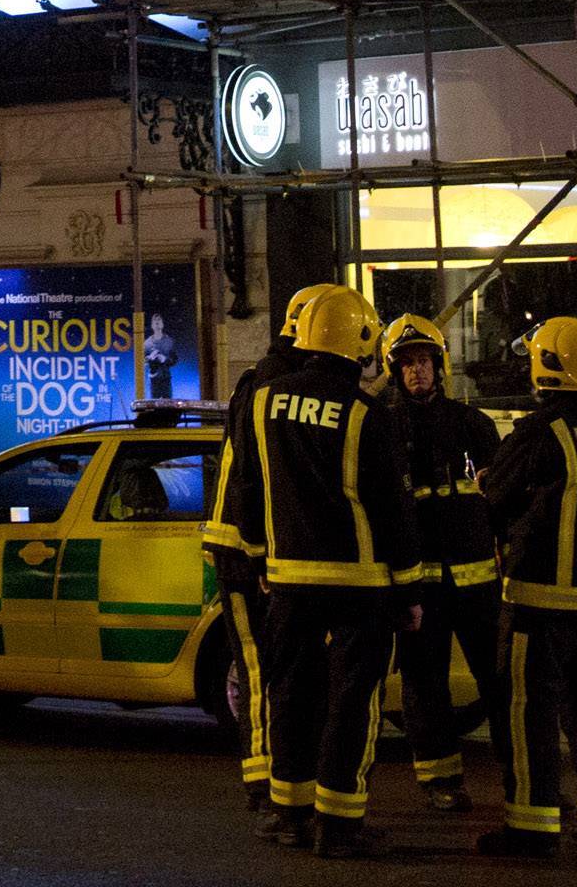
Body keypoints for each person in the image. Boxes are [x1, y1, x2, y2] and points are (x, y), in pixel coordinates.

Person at [208, 284, 417, 856]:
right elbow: (390, 509)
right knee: (353, 700)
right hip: (360, 584)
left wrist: (257, 559)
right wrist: (409, 586)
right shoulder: (365, 415)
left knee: (291, 695)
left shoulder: (262, 400)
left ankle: (291, 814)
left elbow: (253, 487)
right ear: (360, 342)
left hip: (288, 580)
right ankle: (340, 823)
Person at [476, 317, 577, 860]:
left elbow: (493, 497)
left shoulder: (543, 431)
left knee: (529, 713)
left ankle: (532, 825)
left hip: (542, 602)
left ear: (548, 366)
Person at [380, 314, 505, 813]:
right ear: (395, 371)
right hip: (419, 585)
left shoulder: (473, 424)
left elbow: (502, 496)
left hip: (478, 582)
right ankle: (439, 781)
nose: (417, 372)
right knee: (424, 686)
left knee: (500, 680)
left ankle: (524, 774)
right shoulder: (382, 428)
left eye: (424, 361)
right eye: (407, 363)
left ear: (439, 365)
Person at [209, 298, 313, 809]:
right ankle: (263, 781)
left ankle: (273, 777)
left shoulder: (268, 380)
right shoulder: (272, 387)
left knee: (270, 667)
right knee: (258, 667)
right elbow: (257, 479)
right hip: (243, 551)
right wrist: (260, 553)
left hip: (252, 548)